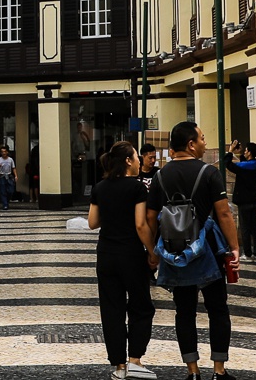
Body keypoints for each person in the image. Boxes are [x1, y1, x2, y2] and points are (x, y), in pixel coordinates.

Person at [147, 121, 241, 378]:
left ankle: (193, 370)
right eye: (201, 138)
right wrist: (234, 249)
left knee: (184, 312)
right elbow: (223, 213)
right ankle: (219, 370)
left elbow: (150, 217)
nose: (205, 142)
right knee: (218, 309)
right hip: (208, 250)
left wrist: (153, 253)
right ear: (190, 143)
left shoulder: (159, 177)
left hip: (174, 251)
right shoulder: (209, 173)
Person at [90, 140, 158, 380]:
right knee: (141, 306)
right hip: (130, 254)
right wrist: (152, 252)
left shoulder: (100, 187)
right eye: (137, 156)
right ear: (128, 160)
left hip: (106, 255)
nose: (140, 160)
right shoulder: (138, 188)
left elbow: (92, 222)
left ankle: (119, 366)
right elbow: (141, 225)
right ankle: (135, 360)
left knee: (112, 310)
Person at [221, 141, 256, 261]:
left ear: (249, 152)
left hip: (243, 201)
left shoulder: (243, 167)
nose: (244, 152)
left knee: (245, 228)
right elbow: (244, 163)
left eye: (246, 150)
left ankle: (248, 254)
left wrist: (230, 151)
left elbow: (228, 164)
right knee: (254, 228)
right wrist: (240, 154)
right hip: (253, 200)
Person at [0, 145, 17, 211]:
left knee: (11, 190)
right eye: (2, 152)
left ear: (7, 152)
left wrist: (16, 175)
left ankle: (7, 201)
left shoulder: (10, 159)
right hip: (1, 176)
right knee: (3, 191)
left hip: (9, 176)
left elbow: (13, 168)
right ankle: (5, 205)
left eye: (4, 151)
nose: (3, 153)